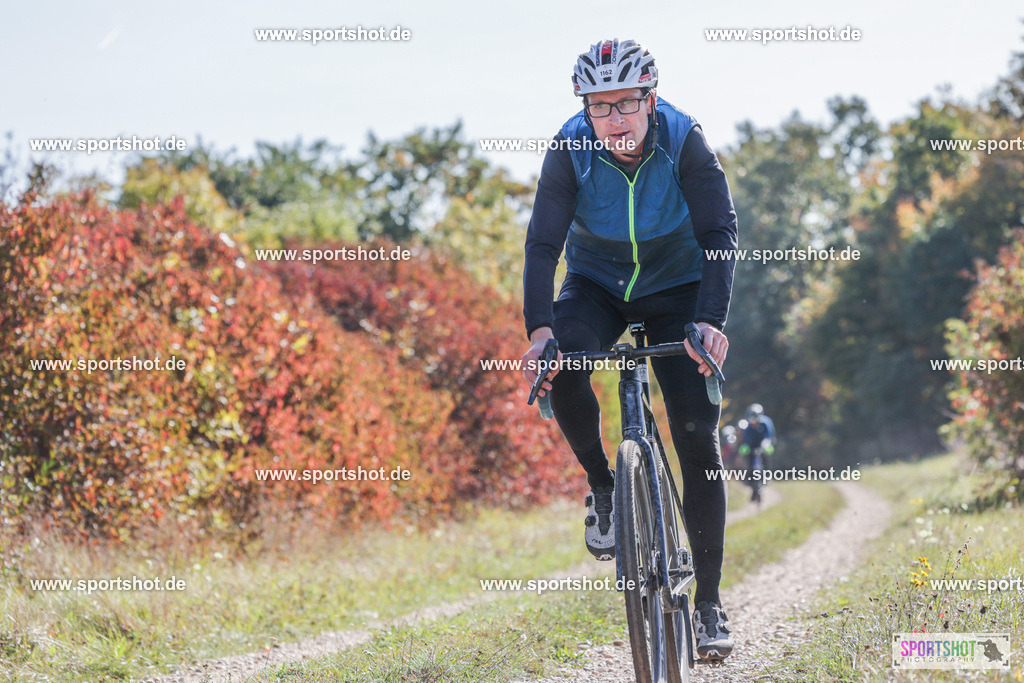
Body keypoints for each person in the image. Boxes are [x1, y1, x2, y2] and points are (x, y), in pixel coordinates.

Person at [520, 38, 738, 662]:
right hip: (597, 284)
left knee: (696, 431)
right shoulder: (570, 147)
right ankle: (605, 485)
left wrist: (709, 321)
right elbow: (542, 245)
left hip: (679, 284)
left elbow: (719, 231)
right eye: (599, 106)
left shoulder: (685, 138)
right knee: (564, 363)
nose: (613, 119)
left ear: (651, 97)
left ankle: (710, 605)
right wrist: (540, 331)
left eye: (625, 104)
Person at [739, 403, 776, 501]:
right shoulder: (747, 425)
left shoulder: (766, 423)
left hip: (764, 444)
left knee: (766, 457)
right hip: (752, 446)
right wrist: (749, 446)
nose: (754, 423)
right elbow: (746, 438)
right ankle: (751, 484)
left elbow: (769, 436)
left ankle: (767, 475)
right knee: (750, 462)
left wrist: (765, 444)